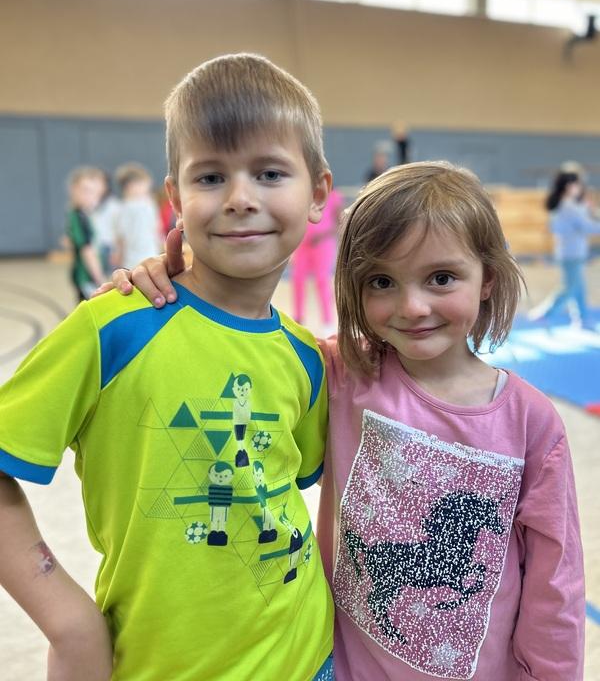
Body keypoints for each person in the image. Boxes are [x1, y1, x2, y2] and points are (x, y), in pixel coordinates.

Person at [112, 161, 585, 681]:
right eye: (382, 281)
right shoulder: (341, 372)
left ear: (487, 278)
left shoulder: (531, 423)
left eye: (441, 278)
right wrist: (176, 286)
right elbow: (242, 351)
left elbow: (555, 584)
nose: (412, 306)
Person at [0, 53, 335, 681]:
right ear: (175, 198)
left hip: (310, 658)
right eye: (210, 177)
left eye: (269, 173)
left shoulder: (308, 358)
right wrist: (69, 622)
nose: (240, 199)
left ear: (317, 193)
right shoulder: (114, 326)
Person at [529, 169, 600, 329]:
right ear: (569, 186)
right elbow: (587, 226)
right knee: (570, 287)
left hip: (571, 252)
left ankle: (582, 318)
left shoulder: (567, 205)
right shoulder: (568, 206)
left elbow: (582, 219)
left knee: (578, 286)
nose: (580, 188)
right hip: (571, 253)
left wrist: (587, 209)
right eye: (578, 184)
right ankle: (545, 313)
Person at [291, 186, 344, 330]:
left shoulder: (333, 196)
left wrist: (322, 236)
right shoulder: (304, 195)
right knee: (298, 279)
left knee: (322, 280)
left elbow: (339, 223)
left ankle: (327, 321)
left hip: (323, 245)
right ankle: (298, 319)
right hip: (303, 244)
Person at [65, 165, 106, 302]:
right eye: (85, 190)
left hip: (87, 276)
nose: (91, 196)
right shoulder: (79, 217)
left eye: (94, 192)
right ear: (73, 190)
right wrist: (100, 278)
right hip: (86, 277)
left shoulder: (86, 214)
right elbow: (87, 250)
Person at [113, 162, 163, 269]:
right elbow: (121, 238)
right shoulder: (126, 208)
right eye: (145, 186)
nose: (147, 190)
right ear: (131, 186)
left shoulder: (147, 204)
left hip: (145, 255)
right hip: (136, 258)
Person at [90, 169, 121, 276]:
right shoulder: (90, 205)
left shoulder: (114, 205)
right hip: (94, 248)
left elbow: (118, 230)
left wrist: (116, 251)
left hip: (108, 249)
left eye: (98, 182)